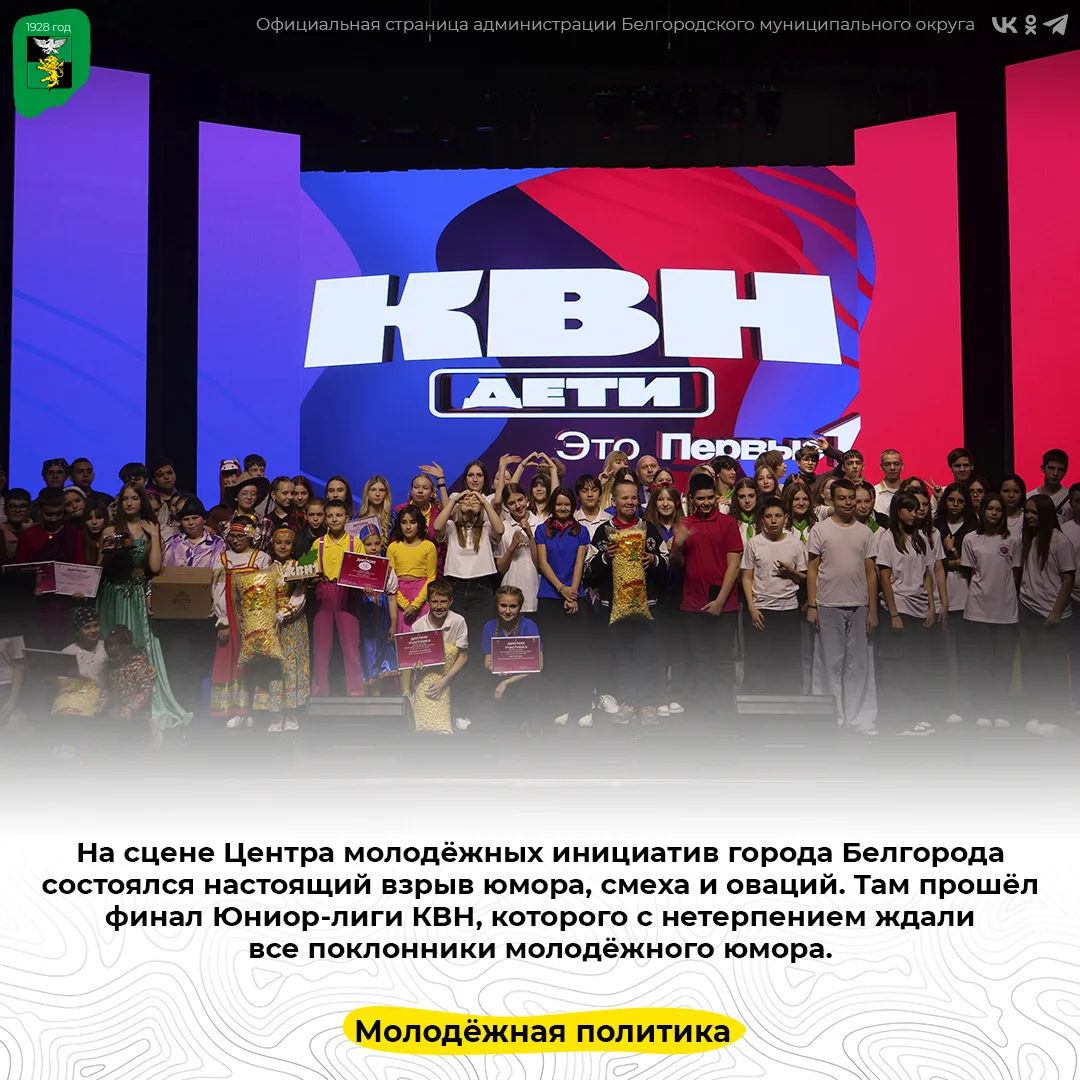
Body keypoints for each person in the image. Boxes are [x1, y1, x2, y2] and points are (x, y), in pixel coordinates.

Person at [98, 484, 191, 739]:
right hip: (112, 593)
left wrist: (155, 535)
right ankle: (112, 702)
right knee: (111, 646)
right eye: (125, 499)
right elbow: (98, 570)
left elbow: (156, 568)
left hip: (136, 595)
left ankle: (140, 704)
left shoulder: (150, 529)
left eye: (134, 498)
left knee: (139, 644)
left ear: (142, 502)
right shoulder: (109, 531)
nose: (129, 503)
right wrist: (108, 553)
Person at [587, 476, 669, 724]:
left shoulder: (648, 529)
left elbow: (666, 563)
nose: (630, 502)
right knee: (622, 658)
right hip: (614, 608)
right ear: (614, 501)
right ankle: (628, 702)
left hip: (646, 608)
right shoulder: (603, 532)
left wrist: (652, 560)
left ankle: (648, 703)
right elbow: (589, 570)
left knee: (647, 657)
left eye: (634, 497)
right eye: (624, 498)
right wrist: (605, 557)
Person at [807, 478, 879, 733]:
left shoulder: (865, 533)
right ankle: (831, 717)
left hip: (859, 605)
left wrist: (872, 609)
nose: (848, 503)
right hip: (828, 605)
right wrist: (812, 605)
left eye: (852, 498)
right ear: (832, 500)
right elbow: (812, 569)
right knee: (830, 664)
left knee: (858, 665)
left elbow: (871, 573)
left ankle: (859, 717)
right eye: (843, 498)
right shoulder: (820, 530)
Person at [668, 473, 743, 717]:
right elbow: (676, 565)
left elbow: (734, 565)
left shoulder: (728, 523)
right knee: (697, 659)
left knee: (722, 660)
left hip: (724, 604)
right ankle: (701, 712)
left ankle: (722, 713)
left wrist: (720, 601)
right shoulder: (685, 524)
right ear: (692, 498)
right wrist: (677, 545)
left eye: (710, 497)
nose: (706, 502)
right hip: (693, 603)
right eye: (701, 498)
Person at [432, 487, 505, 728]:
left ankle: (478, 708)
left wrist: (482, 500)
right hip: (455, 589)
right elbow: (437, 527)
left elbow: (500, 530)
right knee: (456, 650)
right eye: (467, 497)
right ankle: (458, 709)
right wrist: (455, 500)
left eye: (475, 497)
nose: (470, 499)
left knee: (477, 650)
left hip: (481, 590)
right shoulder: (452, 528)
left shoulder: (486, 528)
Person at [875, 493, 940, 734]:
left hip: (919, 608)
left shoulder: (921, 538)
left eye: (917, 509)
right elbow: (884, 577)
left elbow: (926, 573)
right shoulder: (887, 539)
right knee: (897, 667)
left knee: (919, 665)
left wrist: (931, 606)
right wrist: (893, 614)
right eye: (909, 509)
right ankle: (896, 720)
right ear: (898, 511)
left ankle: (916, 716)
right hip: (899, 607)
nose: (915, 514)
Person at [960, 493, 1022, 728]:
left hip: (1006, 611)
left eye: (998, 509)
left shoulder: (1013, 539)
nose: (994, 513)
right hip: (978, 610)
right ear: (982, 511)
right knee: (980, 663)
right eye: (990, 509)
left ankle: (1000, 710)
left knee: (1003, 663)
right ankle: (983, 710)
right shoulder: (970, 539)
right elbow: (969, 573)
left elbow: (1016, 573)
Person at [159, 497, 226, 714]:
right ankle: (180, 709)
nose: (190, 523)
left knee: (200, 664)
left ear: (203, 519)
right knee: (179, 662)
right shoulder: (172, 544)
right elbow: (162, 575)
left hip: (205, 615)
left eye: (195, 518)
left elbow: (220, 578)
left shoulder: (217, 544)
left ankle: (198, 710)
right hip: (177, 615)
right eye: (186, 519)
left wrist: (217, 607)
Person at [534, 486, 593, 726]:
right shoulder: (541, 530)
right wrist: (561, 589)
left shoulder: (581, 531)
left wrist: (572, 595)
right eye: (558, 504)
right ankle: (558, 707)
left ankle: (582, 707)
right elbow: (542, 563)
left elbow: (579, 564)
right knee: (554, 655)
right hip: (549, 598)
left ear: (572, 506)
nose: (562, 508)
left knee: (577, 655)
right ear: (553, 505)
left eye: (567, 504)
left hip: (574, 598)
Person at [1019, 493, 1076, 733]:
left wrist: (1056, 611)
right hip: (1028, 610)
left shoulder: (1060, 541)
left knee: (1052, 669)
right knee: (1032, 666)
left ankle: (1055, 717)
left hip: (1050, 614)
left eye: (1034, 512)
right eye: (1027, 512)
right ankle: (1036, 713)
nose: (1029, 516)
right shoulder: (1028, 539)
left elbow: (1068, 579)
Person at [740, 496, 807, 695]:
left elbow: (804, 578)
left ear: (786, 518)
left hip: (788, 611)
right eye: (769, 516)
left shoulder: (796, 544)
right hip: (761, 610)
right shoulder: (754, 543)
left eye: (778, 516)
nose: (773, 520)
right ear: (762, 519)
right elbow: (747, 577)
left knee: (787, 664)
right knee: (758, 664)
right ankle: (757, 707)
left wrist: (791, 572)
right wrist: (751, 608)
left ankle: (787, 706)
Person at [210, 515, 273, 725]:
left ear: (251, 536)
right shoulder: (223, 559)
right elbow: (218, 590)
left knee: (252, 663)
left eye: (240, 536)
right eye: (232, 536)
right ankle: (233, 710)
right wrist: (223, 620)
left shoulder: (261, 558)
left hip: (253, 618)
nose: (235, 540)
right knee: (230, 661)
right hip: (231, 617)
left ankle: (250, 710)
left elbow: (265, 590)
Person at [253, 525, 311, 731]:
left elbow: (300, 595)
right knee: (274, 667)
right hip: (271, 625)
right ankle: (275, 713)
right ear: (273, 545)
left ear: (293, 546)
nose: (283, 546)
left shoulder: (298, 567)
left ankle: (291, 713)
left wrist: (283, 614)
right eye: (279, 543)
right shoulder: (266, 569)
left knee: (292, 666)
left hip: (293, 624)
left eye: (287, 543)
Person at [308, 500, 365, 698]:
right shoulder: (318, 543)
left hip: (347, 594)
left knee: (350, 646)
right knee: (321, 647)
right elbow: (308, 568)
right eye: (330, 516)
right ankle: (319, 691)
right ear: (325, 519)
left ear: (347, 518)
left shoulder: (355, 543)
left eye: (339, 515)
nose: (334, 520)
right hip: (324, 592)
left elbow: (363, 570)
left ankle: (355, 692)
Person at [935, 483, 977, 723]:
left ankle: (966, 703)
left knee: (966, 656)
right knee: (945, 656)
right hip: (941, 599)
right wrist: (952, 562)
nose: (955, 504)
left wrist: (951, 555)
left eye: (960, 501)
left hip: (967, 598)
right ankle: (948, 703)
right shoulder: (936, 527)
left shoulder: (974, 528)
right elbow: (932, 563)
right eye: (951, 500)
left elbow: (972, 564)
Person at [407, 579, 468, 734]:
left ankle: (458, 721)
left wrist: (445, 681)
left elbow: (462, 656)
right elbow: (414, 658)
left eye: (443, 601)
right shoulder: (418, 626)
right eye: (435, 602)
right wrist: (417, 666)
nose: (439, 606)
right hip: (427, 675)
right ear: (428, 602)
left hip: (453, 673)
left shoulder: (458, 621)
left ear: (451, 602)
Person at [479, 585, 544, 727]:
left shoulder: (529, 626)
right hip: (497, 677)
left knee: (533, 682)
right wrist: (496, 668)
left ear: (520, 607)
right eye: (503, 605)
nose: (507, 611)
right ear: (497, 605)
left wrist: (507, 681)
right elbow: (487, 662)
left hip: (524, 679)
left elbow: (539, 665)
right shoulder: (489, 627)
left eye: (513, 606)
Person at [356, 524, 399, 688]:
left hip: (382, 615)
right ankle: (366, 687)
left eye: (377, 544)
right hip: (363, 614)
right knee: (366, 646)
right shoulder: (355, 568)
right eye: (368, 544)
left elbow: (392, 598)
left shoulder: (387, 569)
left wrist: (393, 624)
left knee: (381, 645)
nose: (373, 548)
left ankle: (379, 691)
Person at [53, 606, 108, 716]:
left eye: (96, 625)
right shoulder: (67, 652)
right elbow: (61, 685)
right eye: (87, 627)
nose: (93, 631)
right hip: (73, 699)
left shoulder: (107, 648)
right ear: (77, 631)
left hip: (102, 700)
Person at [496, 483, 540, 612]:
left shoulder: (540, 524)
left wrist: (531, 537)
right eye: (512, 503)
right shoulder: (503, 527)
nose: (518, 506)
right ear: (506, 506)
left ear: (526, 498)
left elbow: (540, 564)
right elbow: (501, 568)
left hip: (535, 588)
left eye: (520, 500)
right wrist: (512, 547)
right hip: (510, 589)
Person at [105, 625, 159, 725]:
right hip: (120, 714)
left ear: (127, 649)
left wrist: (131, 708)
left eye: (116, 656)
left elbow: (145, 691)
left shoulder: (138, 667)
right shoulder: (112, 667)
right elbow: (109, 689)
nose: (112, 660)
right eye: (110, 656)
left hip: (138, 716)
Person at [1027, 449, 1071, 522]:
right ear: (1043, 468)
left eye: (1060, 470)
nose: (1055, 473)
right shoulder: (1029, 497)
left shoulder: (1070, 498)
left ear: (1065, 471)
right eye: (1051, 468)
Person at [874, 449, 904, 521]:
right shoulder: (873, 493)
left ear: (902, 466)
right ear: (881, 467)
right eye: (887, 464)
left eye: (896, 464)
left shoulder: (909, 491)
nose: (892, 468)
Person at [1000, 474, 1027, 542]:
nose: (1011, 495)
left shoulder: (1027, 517)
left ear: (1021, 494)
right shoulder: (993, 517)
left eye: (1016, 491)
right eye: (1006, 491)